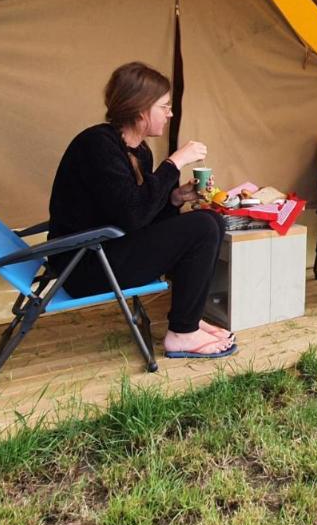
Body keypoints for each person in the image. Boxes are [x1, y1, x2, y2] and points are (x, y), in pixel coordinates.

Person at [48, 62, 235, 359]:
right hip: (84, 264)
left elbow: (141, 215)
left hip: (108, 250)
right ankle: (182, 333)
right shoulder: (98, 145)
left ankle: (187, 321)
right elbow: (132, 216)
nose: (170, 113)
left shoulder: (139, 150)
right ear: (140, 110)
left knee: (210, 220)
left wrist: (174, 198)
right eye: (164, 106)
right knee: (203, 226)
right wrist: (174, 163)